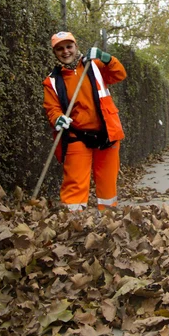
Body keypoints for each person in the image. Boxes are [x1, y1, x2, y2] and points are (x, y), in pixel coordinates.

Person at [43, 31, 127, 211]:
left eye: (69, 46)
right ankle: (73, 224)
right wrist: (58, 119)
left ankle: (108, 220)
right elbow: (52, 109)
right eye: (60, 49)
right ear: (55, 53)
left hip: (106, 133)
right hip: (76, 136)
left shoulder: (94, 66)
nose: (65, 51)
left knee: (107, 183)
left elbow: (119, 74)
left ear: (76, 47)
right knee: (75, 183)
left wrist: (106, 58)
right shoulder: (51, 81)